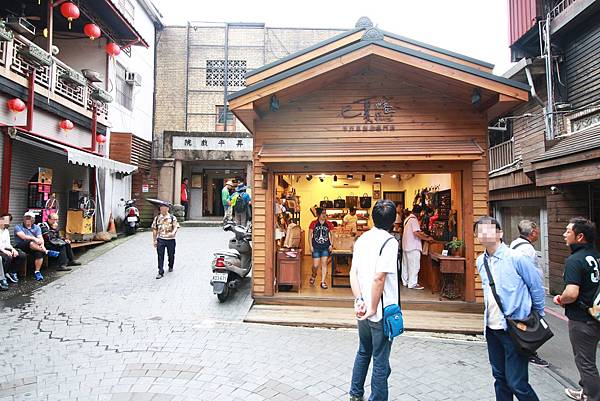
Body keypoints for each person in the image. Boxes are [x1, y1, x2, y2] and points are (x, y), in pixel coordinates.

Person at [475, 216, 544, 401]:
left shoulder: (516, 258)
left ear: (500, 233)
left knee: (517, 383)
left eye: (489, 229)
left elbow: (536, 287)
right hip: (491, 327)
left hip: (515, 328)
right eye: (480, 231)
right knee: (500, 378)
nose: (484, 234)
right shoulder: (481, 261)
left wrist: (537, 316)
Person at [349, 199, 399, 401]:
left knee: (363, 350)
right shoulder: (390, 242)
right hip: (380, 310)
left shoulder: (362, 239)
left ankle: (355, 394)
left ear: (372, 217)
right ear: (393, 220)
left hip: (362, 307)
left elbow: (353, 272)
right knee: (380, 357)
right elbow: (380, 277)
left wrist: (360, 300)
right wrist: (372, 307)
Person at [553, 217, 600, 401]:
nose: (564, 234)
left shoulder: (574, 260)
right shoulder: (596, 255)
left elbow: (571, 293)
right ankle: (586, 391)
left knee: (585, 362)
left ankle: (591, 396)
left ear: (580, 236)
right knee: (587, 360)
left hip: (582, 319)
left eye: (568, 231)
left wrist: (560, 299)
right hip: (596, 314)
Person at [509, 219, 549, 368]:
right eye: (537, 230)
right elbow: (528, 275)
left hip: (521, 292)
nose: (538, 232)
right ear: (532, 233)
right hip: (526, 292)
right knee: (531, 323)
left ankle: (524, 349)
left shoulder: (515, 244)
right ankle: (529, 351)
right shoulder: (527, 250)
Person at [401, 205, 433, 290]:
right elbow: (416, 233)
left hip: (406, 245)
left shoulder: (407, 219)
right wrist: (427, 238)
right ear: (419, 213)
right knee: (414, 266)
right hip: (413, 246)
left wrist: (422, 234)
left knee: (406, 265)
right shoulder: (414, 220)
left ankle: (405, 281)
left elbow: (416, 231)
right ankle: (412, 283)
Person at [14, 212, 47, 281]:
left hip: (34, 247)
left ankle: (37, 272)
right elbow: (23, 237)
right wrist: (34, 238)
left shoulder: (37, 227)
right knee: (31, 243)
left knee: (39, 253)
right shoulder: (18, 227)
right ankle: (47, 252)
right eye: (26, 218)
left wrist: (42, 246)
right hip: (21, 245)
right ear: (23, 219)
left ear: (33, 219)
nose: (28, 219)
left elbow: (40, 238)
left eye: (30, 218)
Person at [151, 202, 179, 279]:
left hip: (170, 239)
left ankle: (170, 266)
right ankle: (160, 272)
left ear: (167, 208)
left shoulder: (172, 217)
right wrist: (154, 240)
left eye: (164, 207)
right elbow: (154, 229)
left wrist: (173, 233)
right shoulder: (157, 218)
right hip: (161, 239)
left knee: (171, 254)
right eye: (161, 207)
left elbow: (176, 226)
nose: (162, 209)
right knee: (160, 256)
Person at [309, 207, 334, 289]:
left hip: (325, 247)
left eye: (325, 213)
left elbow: (332, 235)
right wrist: (311, 246)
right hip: (315, 246)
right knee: (315, 265)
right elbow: (310, 236)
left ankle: (323, 282)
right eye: (322, 213)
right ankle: (313, 275)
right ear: (318, 214)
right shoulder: (313, 223)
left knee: (324, 264)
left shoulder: (329, 224)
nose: (324, 215)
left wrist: (331, 244)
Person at [0, 213, 26, 284]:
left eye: (7, 220)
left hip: (5, 248)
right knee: (8, 257)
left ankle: (12, 272)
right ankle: (3, 275)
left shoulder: (6, 231)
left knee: (21, 255)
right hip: (1, 249)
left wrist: (13, 249)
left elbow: (8, 244)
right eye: (3, 219)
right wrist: (4, 251)